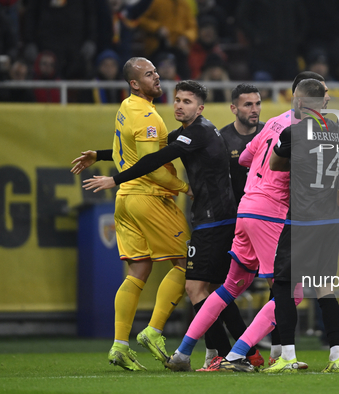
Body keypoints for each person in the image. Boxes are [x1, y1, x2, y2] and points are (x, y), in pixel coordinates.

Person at [81, 79, 261, 369]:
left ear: (200, 108)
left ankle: (224, 356)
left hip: (215, 221)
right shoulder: (188, 133)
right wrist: (100, 155)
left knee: (196, 289)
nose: (179, 105)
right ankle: (245, 354)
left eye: (187, 101)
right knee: (216, 291)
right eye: (177, 99)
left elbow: (157, 158)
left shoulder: (200, 132)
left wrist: (114, 179)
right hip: (215, 219)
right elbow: (149, 150)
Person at [161, 72, 327, 372]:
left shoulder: (274, 123)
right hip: (271, 212)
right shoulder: (308, 130)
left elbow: (245, 159)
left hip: (246, 207)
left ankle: (183, 353)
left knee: (229, 287)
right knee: (291, 292)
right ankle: (238, 354)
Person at [71, 57, 192, 371]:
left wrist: (98, 155)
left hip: (125, 200)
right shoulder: (148, 117)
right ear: (134, 83)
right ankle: (153, 331)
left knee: (138, 271)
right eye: (148, 74)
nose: (157, 77)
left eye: (155, 71)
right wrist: (184, 187)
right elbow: (153, 169)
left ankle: (119, 346)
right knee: (187, 264)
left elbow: (128, 151)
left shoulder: (126, 107)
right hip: (150, 198)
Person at [258, 78, 339, 374]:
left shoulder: (294, 132)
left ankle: (288, 355)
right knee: (325, 288)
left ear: (301, 101)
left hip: (303, 218)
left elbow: (276, 165)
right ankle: (335, 356)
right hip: (331, 219)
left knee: (283, 284)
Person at [219, 83, 264, 205]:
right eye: (248, 105)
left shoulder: (269, 133)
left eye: (258, 104)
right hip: (235, 212)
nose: (254, 110)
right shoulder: (221, 139)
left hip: (267, 210)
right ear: (233, 108)